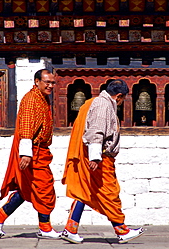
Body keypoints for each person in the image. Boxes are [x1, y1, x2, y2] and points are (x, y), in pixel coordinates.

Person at [61, 79, 144, 244]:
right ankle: (122, 230)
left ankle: (71, 229)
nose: (122, 102)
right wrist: (95, 156)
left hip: (101, 157)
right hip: (100, 158)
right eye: (123, 99)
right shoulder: (102, 105)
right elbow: (96, 130)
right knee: (109, 193)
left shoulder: (100, 103)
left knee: (85, 191)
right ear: (119, 96)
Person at [0, 69, 61, 239]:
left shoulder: (43, 98)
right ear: (36, 82)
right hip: (32, 151)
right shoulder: (31, 99)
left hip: (40, 150)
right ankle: (45, 228)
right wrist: (26, 154)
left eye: (52, 82)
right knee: (44, 187)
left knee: (28, 188)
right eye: (46, 82)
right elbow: (26, 127)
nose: (50, 85)